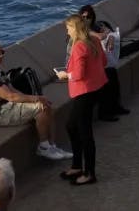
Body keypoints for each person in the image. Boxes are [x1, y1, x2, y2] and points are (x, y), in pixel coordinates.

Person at [0, 40, 71, 160]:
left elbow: (13, 90)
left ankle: (52, 146)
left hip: (7, 106)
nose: (1, 56)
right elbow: (10, 96)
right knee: (41, 108)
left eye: (2, 52)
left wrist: (33, 100)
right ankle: (44, 148)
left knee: (47, 105)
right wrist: (36, 99)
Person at [55, 14, 107, 185]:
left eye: (69, 28)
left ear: (75, 29)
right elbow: (104, 61)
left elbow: (78, 75)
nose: (67, 32)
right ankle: (77, 165)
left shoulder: (79, 46)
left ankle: (90, 173)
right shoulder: (95, 41)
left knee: (85, 133)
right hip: (97, 88)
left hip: (84, 92)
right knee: (71, 125)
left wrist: (64, 75)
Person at [80, 5, 129, 121]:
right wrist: (105, 35)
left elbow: (109, 32)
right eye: (84, 17)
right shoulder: (82, 30)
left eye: (89, 17)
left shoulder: (96, 25)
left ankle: (115, 106)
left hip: (99, 60)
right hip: (89, 64)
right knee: (105, 78)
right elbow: (98, 35)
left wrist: (110, 38)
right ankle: (104, 112)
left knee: (112, 73)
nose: (86, 20)